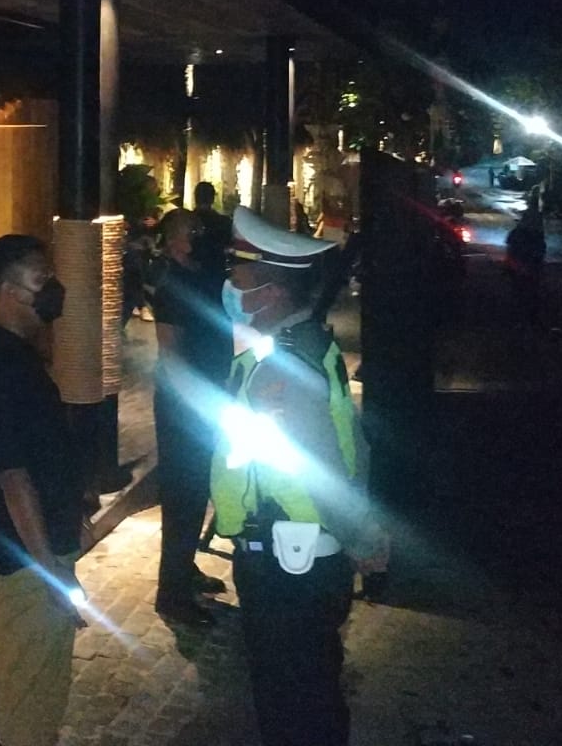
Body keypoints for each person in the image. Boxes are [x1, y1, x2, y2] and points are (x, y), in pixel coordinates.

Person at [210, 207, 388, 746]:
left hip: (289, 564)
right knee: (305, 693)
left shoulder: (283, 366)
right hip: (289, 555)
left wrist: (363, 540)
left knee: (294, 704)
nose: (230, 285)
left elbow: (321, 462)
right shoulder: (292, 348)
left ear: (270, 292)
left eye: (238, 275)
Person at [0, 235, 84, 746]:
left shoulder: (0, 352)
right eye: (41, 278)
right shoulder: (3, 366)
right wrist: (51, 570)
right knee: (31, 705)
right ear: (8, 290)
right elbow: (13, 476)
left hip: (4, 555)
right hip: (28, 559)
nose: (52, 287)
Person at [149, 209, 230, 625]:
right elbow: (171, 358)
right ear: (172, 242)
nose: (198, 236)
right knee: (183, 495)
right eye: (190, 231)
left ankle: (184, 569)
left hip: (206, 398)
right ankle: (172, 592)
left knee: (197, 491)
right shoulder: (172, 286)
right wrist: (198, 405)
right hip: (185, 406)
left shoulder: (205, 277)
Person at [506, 185, 548, 329]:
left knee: (523, 292)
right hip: (526, 266)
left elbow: (511, 246)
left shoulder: (524, 230)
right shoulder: (533, 229)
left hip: (524, 266)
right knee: (528, 292)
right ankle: (528, 318)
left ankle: (524, 318)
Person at [190, 181, 233, 277]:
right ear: (212, 199)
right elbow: (229, 246)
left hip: (190, 272)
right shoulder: (224, 222)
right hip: (215, 271)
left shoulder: (186, 220)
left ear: (195, 197)